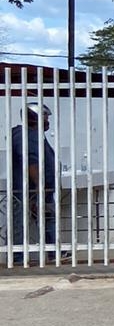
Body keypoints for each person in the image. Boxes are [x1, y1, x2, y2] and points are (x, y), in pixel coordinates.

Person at [9, 103, 64, 264]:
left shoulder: (34, 134)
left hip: (39, 190)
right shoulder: (25, 135)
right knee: (22, 223)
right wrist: (39, 188)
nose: (47, 121)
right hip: (31, 191)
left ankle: (53, 251)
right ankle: (18, 257)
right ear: (34, 118)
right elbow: (31, 162)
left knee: (47, 219)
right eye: (45, 117)